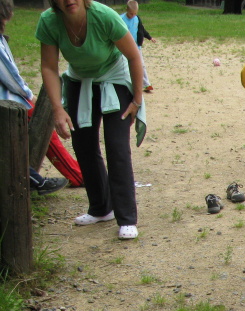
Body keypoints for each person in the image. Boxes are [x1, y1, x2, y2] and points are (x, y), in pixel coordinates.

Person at [36, 0, 145, 240]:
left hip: (114, 79)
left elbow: (133, 56)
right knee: (83, 145)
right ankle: (100, 208)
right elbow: (49, 67)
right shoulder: (49, 21)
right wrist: (57, 108)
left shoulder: (104, 16)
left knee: (116, 146)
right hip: (79, 80)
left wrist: (137, 99)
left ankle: (127, 218)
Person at [0, 0, 81, 194]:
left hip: (10, 101)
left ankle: (74, 173)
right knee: (46, 133)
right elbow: (10, 75)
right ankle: (77, 175)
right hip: (9, 103)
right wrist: (29, 95)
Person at [121, 0, 156, 93]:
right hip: (125, 47)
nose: (133, 15)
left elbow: (142, 29)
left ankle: (146, 84)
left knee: (141, 65)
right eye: (131, 13)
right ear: (126, 9)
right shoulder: (121, 19)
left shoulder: (137, 19)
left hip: (136, 47)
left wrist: (149, 37)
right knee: (126, 66)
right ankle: (127, 84)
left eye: (135, 13)